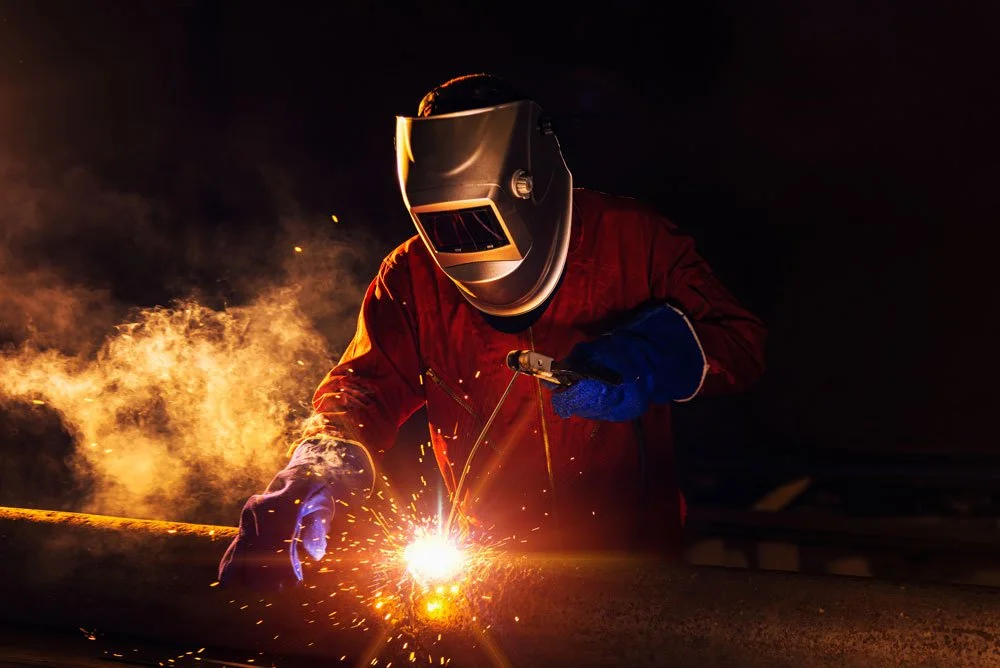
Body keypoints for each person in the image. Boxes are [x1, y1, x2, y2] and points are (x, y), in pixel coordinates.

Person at [219, 73, 766, 590]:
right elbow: (364, 387)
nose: (462, 244)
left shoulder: (634, 240)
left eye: (478, 219)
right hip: (489, 570)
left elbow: (740, 345)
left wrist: (650, 360)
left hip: (634, 568)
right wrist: (323, 459)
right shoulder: (412, 273)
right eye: (442, 223)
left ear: (529, 183)